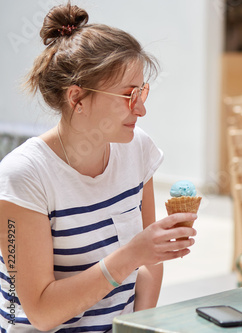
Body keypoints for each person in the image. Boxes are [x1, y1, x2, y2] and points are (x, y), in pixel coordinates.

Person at [0, 3, 197, 331]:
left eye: (142, 91)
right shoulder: (23, 176)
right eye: (129, 95)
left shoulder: (138, 150)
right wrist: (132, 255)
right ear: (77, 99)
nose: (142, 109)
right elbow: (42, 313)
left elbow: (149, 266)